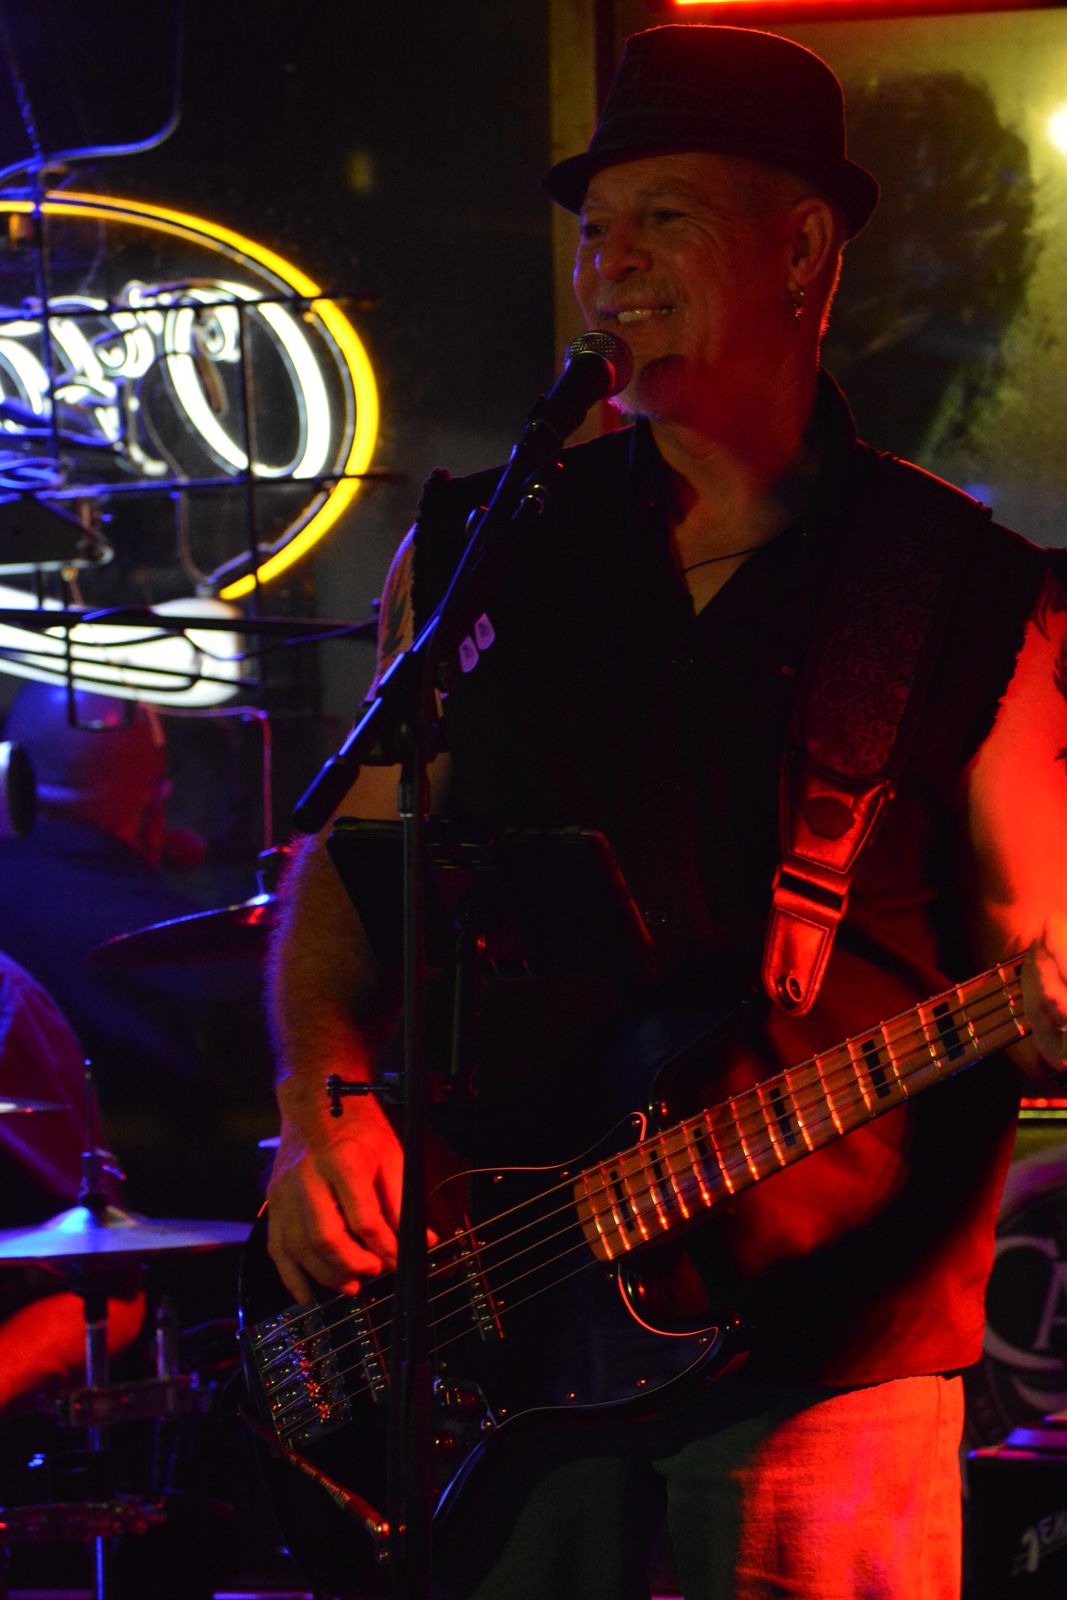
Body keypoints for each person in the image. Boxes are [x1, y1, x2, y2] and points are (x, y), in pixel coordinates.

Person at [263, 23, 1067, 1600]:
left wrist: (1046, 1000)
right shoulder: (483, 547)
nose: (609, 265)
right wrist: (322, 1102)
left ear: (804, 251)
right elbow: (351, 870)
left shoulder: (967, 589)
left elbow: (1036, 926)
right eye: (593, 230)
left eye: (662, 219)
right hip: (506, 1330)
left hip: (826, 1352)